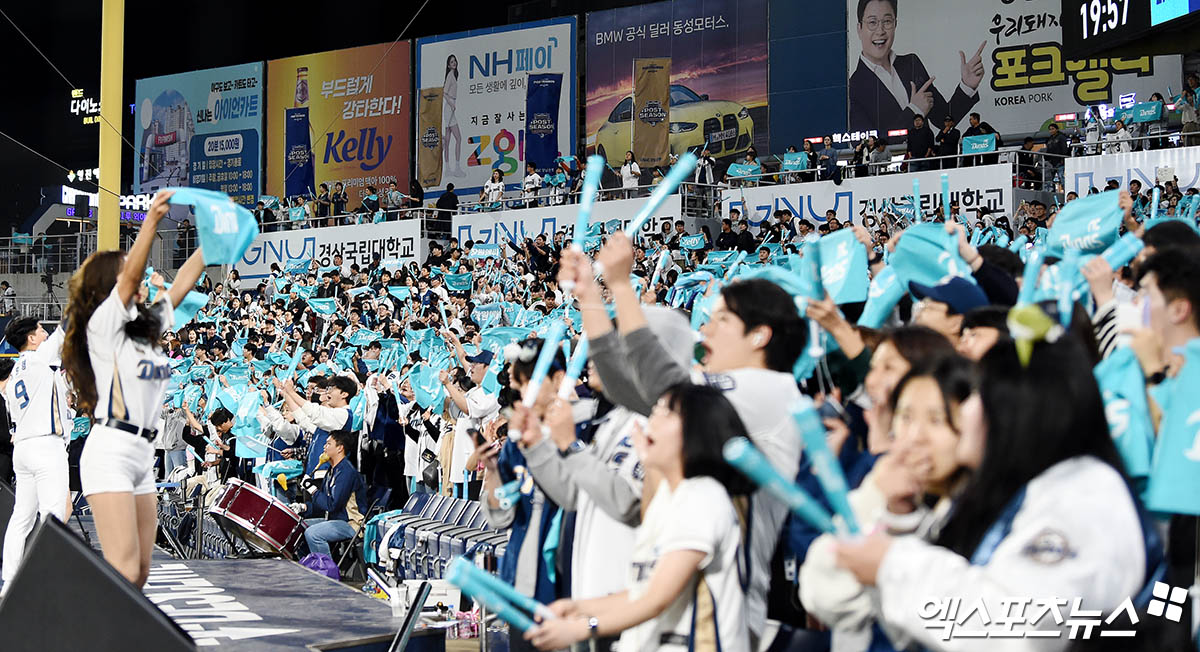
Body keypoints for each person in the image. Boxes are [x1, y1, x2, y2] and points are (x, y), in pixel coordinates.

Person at [835, 325, 1162, 648]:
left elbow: (1021, 629)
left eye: (979, 393)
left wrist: (895, 566)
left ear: (1014, 407)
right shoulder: (1015, 492)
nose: (964, 410)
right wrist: (901, 523)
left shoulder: (1084, 497)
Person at [524, 385, 753, 652]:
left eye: (666, 413)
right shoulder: (669, 496)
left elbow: (657, 598)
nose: (651, 421)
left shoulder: (703, 498)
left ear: (697, 431)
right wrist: (580, 607)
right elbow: (643, 591)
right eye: (654, 411)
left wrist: (581, 627)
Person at [61, 190, 207, 587]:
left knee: (140, 574)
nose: (141, 276)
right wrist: (151, 221)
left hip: (144, 452)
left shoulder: (144, 329)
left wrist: (213, 243)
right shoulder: (103, 322)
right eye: (133, 272)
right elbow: (128, 280)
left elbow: (179, 287)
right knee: (122, 571)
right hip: (111, 450)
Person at [1, 317, 71, 595]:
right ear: (31, 338)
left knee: (21, 518)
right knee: (52, 516)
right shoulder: (40, 358)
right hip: (45, 445)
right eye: (42, 330)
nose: (46, 333)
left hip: (24, 447)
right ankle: (47, 581)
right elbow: (67, 327)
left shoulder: (15, 371)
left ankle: (10, 582)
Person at [848, 0, 984, 134]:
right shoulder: (852, 88)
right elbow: (866, 142)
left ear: (895, 24)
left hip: (927, 156)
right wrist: (914, 111)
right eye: (872, 22)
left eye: (887, 21)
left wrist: (967, 85)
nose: (880, 31)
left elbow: (944, 120)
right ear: (859, 28)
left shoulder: (911, 63)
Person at [291, 428, 366, 557]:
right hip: (334, 519)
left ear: (339, 448)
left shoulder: (346, 472)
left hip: (351, 524)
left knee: (313, 534)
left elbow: (332, 505)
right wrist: (304, 507)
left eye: (328, 444)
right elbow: (323, 501)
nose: (324, 447)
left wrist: (312, 489)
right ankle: (309, 564)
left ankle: (326, 571)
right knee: (298, 527)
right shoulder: (332, 471)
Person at [443, 54, 465, 178]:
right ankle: (452, 168)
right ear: (448, 65)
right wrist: (451, 103)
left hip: (451, 108)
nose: (454, 63)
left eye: (455, 61)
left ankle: (451, 168)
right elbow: (444, 92)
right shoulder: (450, 76)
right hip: (449, 108)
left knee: (450, 139)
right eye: (452, 62)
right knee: (454, 139)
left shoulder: (453, 75)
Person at [1043, 123, 1069, 190]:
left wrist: (1062, 159)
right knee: (1050, 179)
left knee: (1062, 178)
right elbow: (1048, 150)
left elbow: (1064, 148)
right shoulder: (1049, 139)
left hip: (1059, 161)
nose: (1051, 131)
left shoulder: (1061, 137)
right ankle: (1051, 191)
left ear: (1057, 129)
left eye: (1053, 129)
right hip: (1051, 162)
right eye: (1050, 129)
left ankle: (1066, 190)